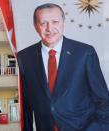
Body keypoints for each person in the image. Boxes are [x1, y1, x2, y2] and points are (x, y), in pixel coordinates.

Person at [17, 3, 109, 131]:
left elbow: (104, 102)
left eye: (55, 22)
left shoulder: (85, 53)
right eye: (43, 23)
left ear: (63, 23)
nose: (50, 28)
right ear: (36, 26)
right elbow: (26, 106)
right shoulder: (24, 57)